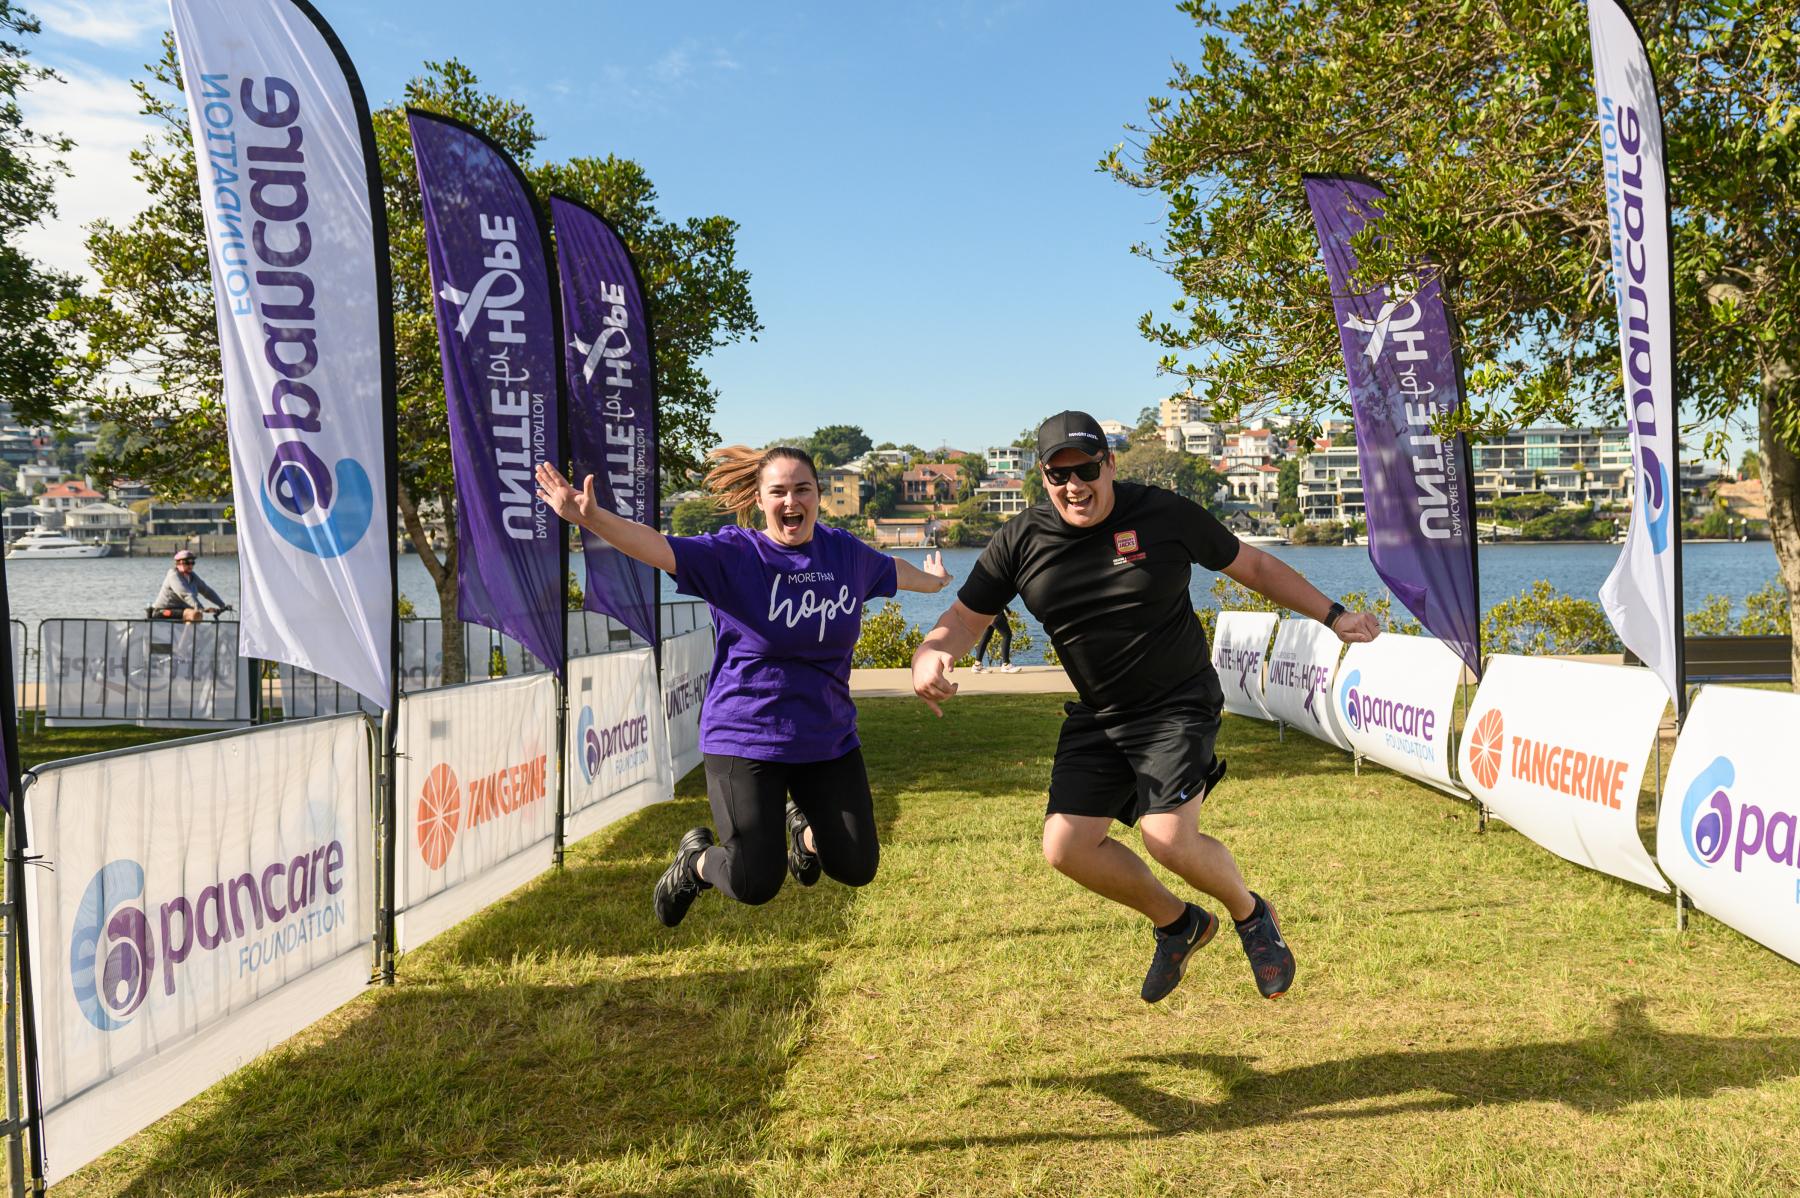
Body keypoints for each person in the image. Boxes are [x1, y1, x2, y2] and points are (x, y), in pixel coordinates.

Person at [911, 411, 1379, 1003]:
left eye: (1085, 470)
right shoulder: (1021, 540)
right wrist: (929, 656)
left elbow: (1253, 565)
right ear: (1042, 478)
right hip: (1101, 713)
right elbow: (962, 618)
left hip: (1176, 703)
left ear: (1109, 464)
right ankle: (1179, 923)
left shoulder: (1160, 513)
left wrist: (1334, 616)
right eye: (1058, 476)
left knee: (1167, 837)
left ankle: (1251, 914)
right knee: (1065, 846)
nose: (1073, 486)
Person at [535, 445, 952, 927]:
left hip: (827, 738)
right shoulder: (734, 555)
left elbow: (890, 571)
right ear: (759, 498)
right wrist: (593, 520)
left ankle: (804, 837)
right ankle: (694, 862)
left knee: (857, 865)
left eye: (802, 490)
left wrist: (935, 583)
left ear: (819, 496)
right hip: (746, 737)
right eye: (778, 491)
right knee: (755, 881)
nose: (791, 501)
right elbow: (657, 546)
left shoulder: (845, 554)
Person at [151, 550, 229, 622]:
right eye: (187, 562)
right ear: (178, 563)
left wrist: (222, 605)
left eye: (192, 562)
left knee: (197, 614)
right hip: (162, 611)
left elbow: (206, 591)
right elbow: (186, 594)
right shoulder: (173, 575)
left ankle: (190, 636)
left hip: (182, 610)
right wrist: (201, 608)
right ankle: (186, 638)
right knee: (195, 614)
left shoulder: (192, 576)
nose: (190, 565)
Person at [970, 608, 1019, 673]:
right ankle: (1006, 665)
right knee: (1007, 635)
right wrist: (1007, 611)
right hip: (994, 612)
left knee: (986, 637)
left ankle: (977, 665)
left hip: (986, 613)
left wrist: (1007, 611)